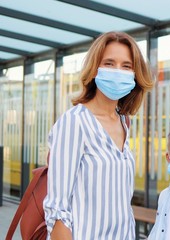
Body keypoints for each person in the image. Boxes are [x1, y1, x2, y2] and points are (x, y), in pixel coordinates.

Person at [43, 31, 154, 239]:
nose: (118, 71)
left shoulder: (124, 122)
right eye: (109, 63)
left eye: (126, 66)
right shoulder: (74, 122)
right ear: (95, 69)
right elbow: (58, 211)